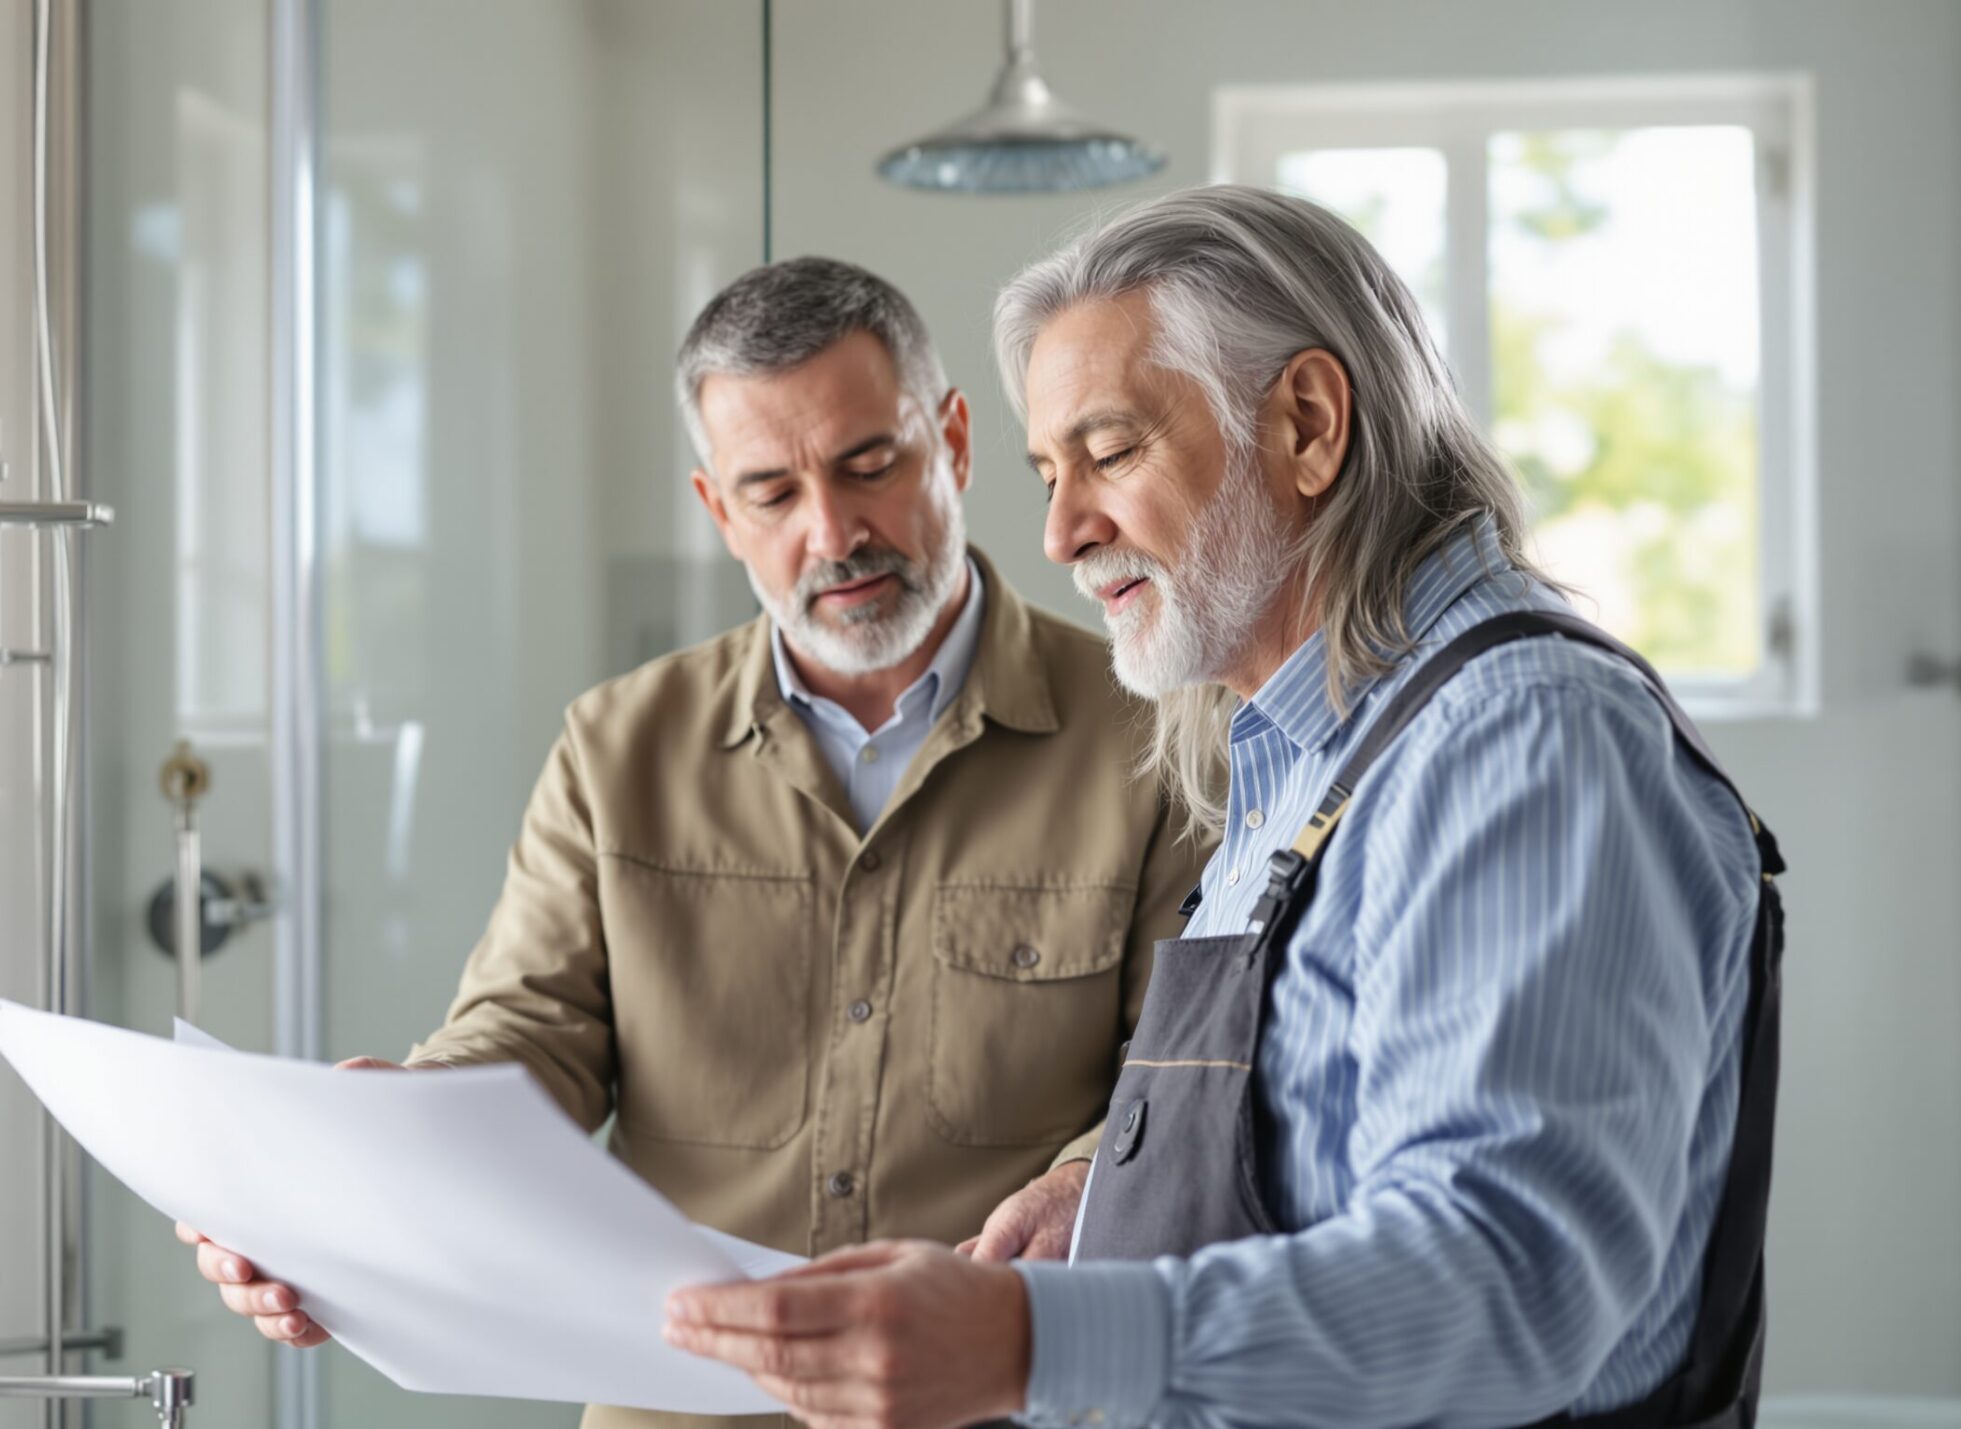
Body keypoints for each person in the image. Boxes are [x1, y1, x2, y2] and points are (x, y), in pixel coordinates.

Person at [664, 187, 1784, 1429]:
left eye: (1109, 451)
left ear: (1306, 424)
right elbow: (1311, 1153)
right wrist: (1108, 1198)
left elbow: (1510, 1286)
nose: (1058, 531)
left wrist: (1030, 1339)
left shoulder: (1517, 736)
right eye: (1047, 471)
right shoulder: (1297, 749)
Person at [181, 256, 1205, 1429]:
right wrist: (388, 1145)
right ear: (718, 510)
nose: (834, 531)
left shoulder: (1154, 741)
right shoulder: (615, 746)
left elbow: (1179, 1072)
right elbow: (532, 1037)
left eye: (869, 465)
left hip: (1001, 1405)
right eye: (771, 492)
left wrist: (1084, 1181)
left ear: (955, 442)